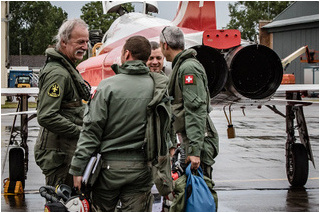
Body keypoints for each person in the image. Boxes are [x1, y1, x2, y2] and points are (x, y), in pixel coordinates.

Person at [69, 35, 169, 212]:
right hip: (142, 170)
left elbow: (91, 131)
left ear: (127, 54)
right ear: (146, 58)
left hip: (108, 172)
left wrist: (78, 167)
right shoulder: (158, 88)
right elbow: (164, 129)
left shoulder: (107, 87)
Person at [34, 18, 91, 188]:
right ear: (64, 42)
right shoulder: (58, 74)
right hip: (59, 156)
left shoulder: (67, 68)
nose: (85, 47)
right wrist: (81, 133)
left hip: (66, 152)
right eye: (80, 42)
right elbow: (46, 115)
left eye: (87, 42)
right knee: (61, 205)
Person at [159, 26, 219, 178]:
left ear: (165, 45)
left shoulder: (188, 69)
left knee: (200, 196)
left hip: (198, 143)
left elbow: (195, 109)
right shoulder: (182, 67)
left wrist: (194, 151)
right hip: (192, 140)